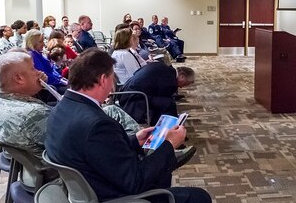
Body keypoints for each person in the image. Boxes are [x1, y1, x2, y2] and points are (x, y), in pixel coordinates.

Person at [45, 49, 211, 203]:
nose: (113, 84)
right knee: (199, 197)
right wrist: (169, 144)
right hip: (114, 196)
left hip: (90, 186)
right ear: (103, 80)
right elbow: (135, 181)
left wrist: (134, 141)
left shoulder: (60, 110)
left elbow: (98, 151)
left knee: (162, 171)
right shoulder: (96, 124)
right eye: (112, 77)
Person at [119, 64, 195, 126]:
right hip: (135, 97)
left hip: (126, 91)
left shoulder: (163, 67)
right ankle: (168, 130)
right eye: (185, 83)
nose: (181, 87)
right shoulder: (170, 80)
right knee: (169, 104)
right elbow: (164, 97)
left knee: (164, 102)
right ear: (182, 76)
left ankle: (158, 125)